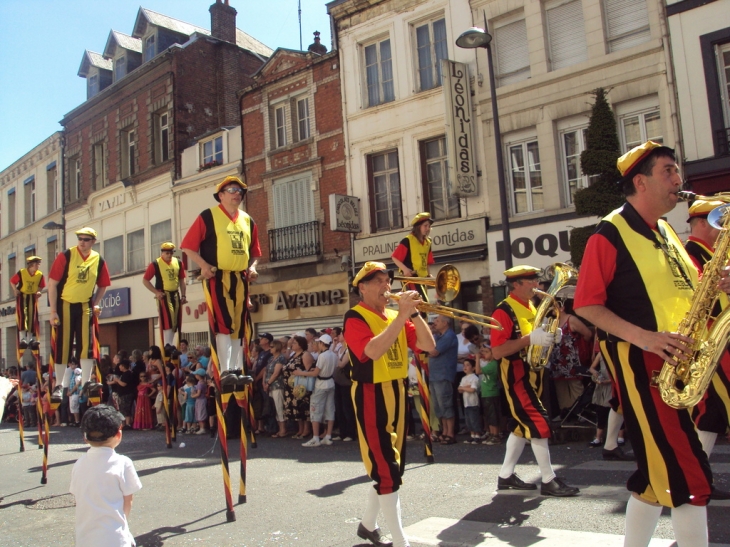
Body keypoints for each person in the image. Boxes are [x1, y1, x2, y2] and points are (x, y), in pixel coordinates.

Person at [574, 141, 721, 547]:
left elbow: (693, 290)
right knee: (690, 476)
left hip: (682, 366)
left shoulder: (669, 231)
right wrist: (646, 338)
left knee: (656, 479)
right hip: (647, 370)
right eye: (669, 172)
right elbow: (586, 303)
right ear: (640, 181)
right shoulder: (609, 233)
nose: (679, 180)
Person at [343, 261, 435, 547]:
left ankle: (368, 526)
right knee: (387, 470)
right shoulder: (354, 316)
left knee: (393, 468)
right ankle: (400, 541)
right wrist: (400, 318)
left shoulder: (397, 314)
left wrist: (415, 313)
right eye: (379, 281)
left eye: (387, 280)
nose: (387, 286)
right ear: (363, 287)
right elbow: (370, 351)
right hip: (371, 393)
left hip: (397, 390)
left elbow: (428, 346)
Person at [491, 265, 579, 497]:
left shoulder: (530, 306)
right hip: (516, 375)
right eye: (530, 281)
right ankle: (549, 480)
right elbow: (498, 351)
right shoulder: (503, 311)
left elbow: (534, 341)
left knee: (522, 428)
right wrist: (531, 338)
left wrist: (550, 337)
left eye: (535, 281)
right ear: (516, 284)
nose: (536, 285)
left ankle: (506, 476)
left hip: (534, 373)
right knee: (539, 423)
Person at [181, 175, 261, 384]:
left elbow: (255, 253)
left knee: (239, 324)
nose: (237, 194)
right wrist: (204, 266)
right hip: (218, 276)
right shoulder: (208, 216)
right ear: (221, 195)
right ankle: (225, 370)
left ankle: (236, 368)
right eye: (232, 190)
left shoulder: (247, 220)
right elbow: (187, 246)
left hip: (240, 278)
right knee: (224, 322)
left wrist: (252, 267)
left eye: (240, 191)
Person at [684, 197, 730, 460]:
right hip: (712, 341)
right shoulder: (690, 255)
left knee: (710, 413)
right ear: (701, 222)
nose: (724, 229)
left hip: (718, 339)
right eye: (720, 223)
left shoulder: (716, 252)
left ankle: (700, 476)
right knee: (710, 409)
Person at [47, 227, 111, 398]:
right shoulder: (66, 256)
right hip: (65, 303)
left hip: (85, 305)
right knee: (64, 345)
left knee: (86, 344)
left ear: (93, 242)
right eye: (80, 239)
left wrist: (95, 303)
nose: (82, 242)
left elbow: (103, 284)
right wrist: (53, 311)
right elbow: (52, 284)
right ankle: (59, 385)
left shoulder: (98, 259)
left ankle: (86, 382)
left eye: (86, 239)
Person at [70, 405, 142, 547]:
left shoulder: (79, 463)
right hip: (115, 537)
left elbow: (78, 496)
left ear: (85, 437)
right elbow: (128, 500)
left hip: (85, 537)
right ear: (118, 434)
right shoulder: (123, 463)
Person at [142, 242, 187, 348]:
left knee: (175, 319)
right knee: (167, 318)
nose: (169, 255)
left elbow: (182, 279)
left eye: (171, 252)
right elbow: (145, 280)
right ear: (162, 253)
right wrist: (156, 292)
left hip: (175, 294)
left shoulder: (178, 263)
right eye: (167, 253)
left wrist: (184, 295)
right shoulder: (155, 264)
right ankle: (167, 343)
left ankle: (170, 343)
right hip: (164, 294)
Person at [297, 334, 338, 447]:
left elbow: (315, 373)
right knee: (330, 409)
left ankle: (315, 438)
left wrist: (300, 373)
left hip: (321, 384)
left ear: (321, 343)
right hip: (331, 383)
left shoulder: (322, 356)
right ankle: (328, 436)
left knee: (315, 410)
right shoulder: (333, 355)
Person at [427, 315, 459, 444]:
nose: (435, 322)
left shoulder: (449, 336)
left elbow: (434, 352)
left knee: (445, 403)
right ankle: (444, 431)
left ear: (445, 323)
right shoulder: (438, 336)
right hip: (434, 375)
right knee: (439, 406)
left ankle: (450, 433)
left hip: (443, 375)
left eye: (437, 320)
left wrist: (427, 351)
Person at [391, 212, 435, 303]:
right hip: (410, 277)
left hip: (422, 278)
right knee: (421, 302)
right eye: (425, 226)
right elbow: (395, 257)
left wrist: (429, 274)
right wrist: (405, 270)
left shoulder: (428, 242)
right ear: (418, 226)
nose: (428, 228)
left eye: (429, 226)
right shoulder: (407, 240)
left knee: (423, 304)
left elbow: (426, 261)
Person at [282, 336, 314, 439]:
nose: (292, 345)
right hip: (290, 387)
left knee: (303, 407)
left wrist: (300, 374)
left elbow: (309, 370)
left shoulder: (305, 355)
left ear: (301, 344)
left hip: (301, 385)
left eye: (295, 343)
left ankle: (306, 429)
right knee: (295, 409)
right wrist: (288, 346)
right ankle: (300, 429)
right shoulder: (293, 355)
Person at [11, 255, 45, 349]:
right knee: (22, 315)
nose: (38, 266)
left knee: (32, 316)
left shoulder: (39, 274)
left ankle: (30, 338)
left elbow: (42, 285)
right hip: (22, 295)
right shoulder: (22, 272)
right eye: (37, 264)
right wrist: (15, 290)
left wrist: (38, 291)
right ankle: (23, 338)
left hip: (32, 296)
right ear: (31, 265)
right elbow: (12, 281)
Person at [477, 344, 501, 445]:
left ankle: (496, 435)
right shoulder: (488, 364)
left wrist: (477, 358)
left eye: (486, 352)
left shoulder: (493, 364)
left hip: (491, 393)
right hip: (486, 393)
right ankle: (491, 433)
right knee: (488, 415)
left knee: (493, 415)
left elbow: (478, 371)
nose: (484, 354)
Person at [263, 340, 288, 438]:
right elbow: (266, 370)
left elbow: (276, 373)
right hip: (269, 386)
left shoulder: (281, 358)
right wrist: (264, 382)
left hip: (277, 385)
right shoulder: (271, 358)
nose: (270, 348)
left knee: (279, 407)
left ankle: (283, 429)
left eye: (272, 346)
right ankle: (279, 428)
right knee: (274, 408)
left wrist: (268, 383)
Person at [458, 358, 481, 444]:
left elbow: (473, 389)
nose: (465, 367)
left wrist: (465, 388)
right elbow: (459, 389)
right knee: (468, 420)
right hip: (466, 403)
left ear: (473, 367)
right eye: (464, 365)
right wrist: (466, 387)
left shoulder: (474, 378)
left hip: (473, 402)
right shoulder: (463, 378)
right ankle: (472, 435)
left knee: (474, 419)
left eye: (468, 365)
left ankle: (477, 435)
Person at [107, 360, 135, 430]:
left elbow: (124, 384)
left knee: (126, 409)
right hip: (123, 394)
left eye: (120, 366)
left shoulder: (127, 374)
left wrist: (117, 380)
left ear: (123, 366)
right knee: (123, 408)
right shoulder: (124, 374)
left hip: (126, 394)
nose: (119, 367)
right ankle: (124, 423)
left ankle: (128, 424)